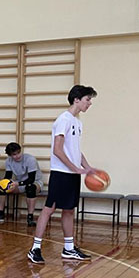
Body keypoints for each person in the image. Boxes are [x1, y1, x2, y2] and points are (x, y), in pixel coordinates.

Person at [27, 85, 98, 264]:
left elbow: (75, 151)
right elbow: (57, 150)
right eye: (87, 99)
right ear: (76, 100)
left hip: (72, 174)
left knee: (69, 210)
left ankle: (68, 248)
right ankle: (35, 248)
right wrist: (75, 168)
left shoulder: (78, 123)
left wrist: (87, 168)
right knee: (49, 209)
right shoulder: (63, 119)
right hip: (61, 173)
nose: (89, 103)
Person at [0, 142, 43, 226]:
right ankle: (0, 213)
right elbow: (8, 177)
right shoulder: (8, 161)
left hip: (35, 182)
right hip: (18, 183)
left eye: (18, 152)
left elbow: (31, 179)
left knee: (30, 188)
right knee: (0, 188)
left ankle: (30, 217)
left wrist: (17, 183)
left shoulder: (30, 159)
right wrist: (2, 183)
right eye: (14, 154)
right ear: (10, 155)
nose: (17, 156)